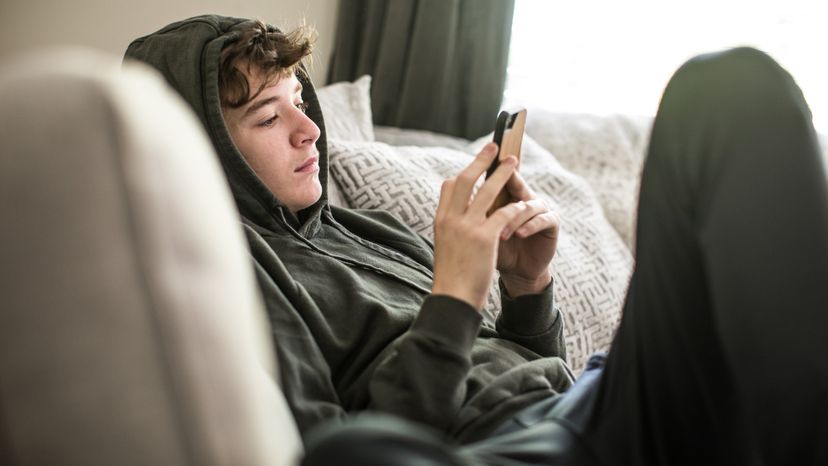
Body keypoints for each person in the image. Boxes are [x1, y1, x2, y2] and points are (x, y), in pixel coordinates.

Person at [125, 15, 828, 466]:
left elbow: (520, 372)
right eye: (267, 118)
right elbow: (331, 445)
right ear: (200, 145)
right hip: (504, 452)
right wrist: (456, 295)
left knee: (727, 89)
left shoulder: (366, 230)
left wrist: (526, 290)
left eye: (302, 104)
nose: (308, 130)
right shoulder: (235, 277)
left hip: (590, 404)